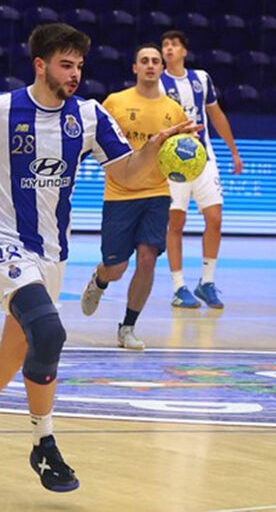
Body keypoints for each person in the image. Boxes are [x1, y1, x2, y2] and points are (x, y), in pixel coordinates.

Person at [0, 23, 196, 492]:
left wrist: (152, 152)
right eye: (65, 65)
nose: (74, 74)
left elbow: (127, 176)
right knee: (49, 332)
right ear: (41, 65)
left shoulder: (89, 116)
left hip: (53, 254)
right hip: (3, 244)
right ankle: (43, 445)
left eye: (79, 66)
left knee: (17, 349)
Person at [79, 43, 190, 350]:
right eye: (145, 60)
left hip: (157, 194)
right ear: (135, 68)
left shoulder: (174, 110)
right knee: (116, 268)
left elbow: (182, 152)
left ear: (162, 68)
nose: (151, 65)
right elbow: (93, 138)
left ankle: (127, 327)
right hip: (119, 194)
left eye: (156, 61)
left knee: (147, 259)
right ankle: (100, 279)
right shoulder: (115, 102)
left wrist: (190, 153)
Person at [158, 30, 243, 310]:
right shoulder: (157, 82)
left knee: (215, 218)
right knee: (176, 224)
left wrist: (233, 151)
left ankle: (206, 282)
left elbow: (216, 115)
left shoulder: (201, 78)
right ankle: (178, 286)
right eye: (165, 46)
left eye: (174, 45)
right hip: (172, 164)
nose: (168, 49)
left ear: (184, 51)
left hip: (203, 159)